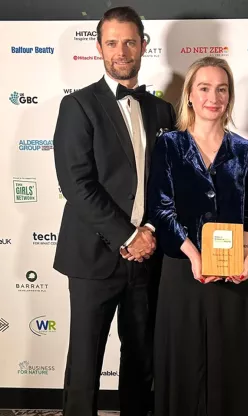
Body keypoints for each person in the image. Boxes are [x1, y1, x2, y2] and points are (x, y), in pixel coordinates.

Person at [53, 6, 176, 416]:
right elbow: (77, 184)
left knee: (142, 363)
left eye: (129, 41)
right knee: (85, 365)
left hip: (147, 258)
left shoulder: (162, 111)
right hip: (93, 258)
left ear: (143, 45)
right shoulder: (79, 106)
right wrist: (128, 235)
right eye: (112, 42)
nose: (121, 51)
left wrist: (150, 234)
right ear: (99, 48)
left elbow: (169, 183)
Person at [147, 56, 248, 416]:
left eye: (222, 89)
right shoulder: (169, 145)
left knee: (231, 363)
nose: (214, 96)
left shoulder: (246, 150)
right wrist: (195, 257)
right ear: (190, 96)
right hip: (183, 270)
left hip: (234, 273)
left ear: (229, 97)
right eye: (205, 88)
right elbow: (161, 210)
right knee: (184, 362)